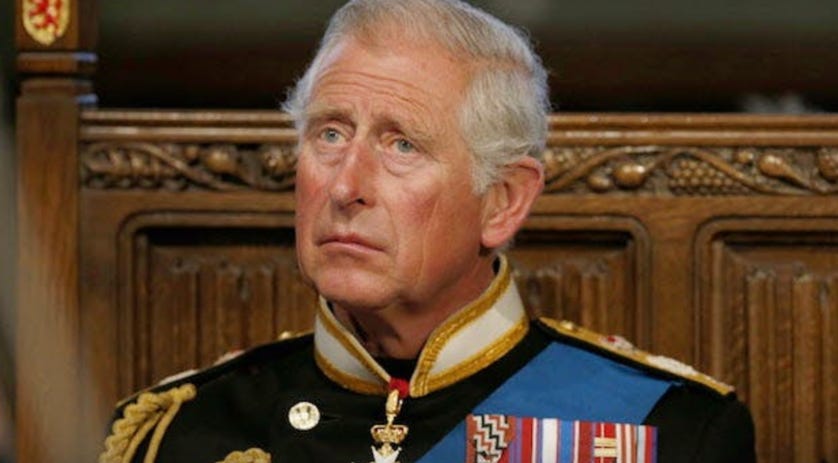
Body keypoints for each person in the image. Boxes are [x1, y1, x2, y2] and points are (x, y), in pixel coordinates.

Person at [99, 1, 756, 462]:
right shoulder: (180, 432)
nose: (345, 185)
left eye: (403, 145)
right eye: (330, 134)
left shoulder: (667, 431)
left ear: (502, 201)